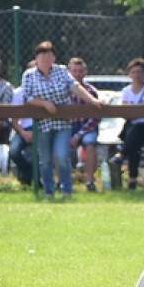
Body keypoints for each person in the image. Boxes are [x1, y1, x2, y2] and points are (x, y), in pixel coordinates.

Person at [21, 41, 104, 199]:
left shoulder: (61, 71)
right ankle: (49, 192)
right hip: (42, 124)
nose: (46, 58)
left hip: (63, 123)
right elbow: (27, 97)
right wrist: (45, 103)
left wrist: (92, 100)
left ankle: (67, 191)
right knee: (45, 160)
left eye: (50, 54)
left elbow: (75, 87)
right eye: (43, 54)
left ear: (54, 57)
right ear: (37, 57)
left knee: (61, 156)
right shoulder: (29, 75)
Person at [109, 58, 144, 190]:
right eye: (134, 72)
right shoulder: (126, 91)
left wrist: (136, 111)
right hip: (133, 129)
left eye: (140, 72)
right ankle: (132, 180)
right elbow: (126, 112)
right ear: (129, 74)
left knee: (138, 128)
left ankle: (121, 154)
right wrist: (141, 110)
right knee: (134, 145)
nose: (137, 75)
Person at [67, 57, 102, 192]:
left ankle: (90, 181)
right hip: (68, 127)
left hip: (87, 128)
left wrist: (78, 135)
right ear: (69, 72)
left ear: (85, 73)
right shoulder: (64, 90)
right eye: (74, 71)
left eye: (80, 71)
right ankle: (62, 181)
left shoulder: (91, 91)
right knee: (59, 144)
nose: (77, 74)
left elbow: (95, 118)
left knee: (90, 144)